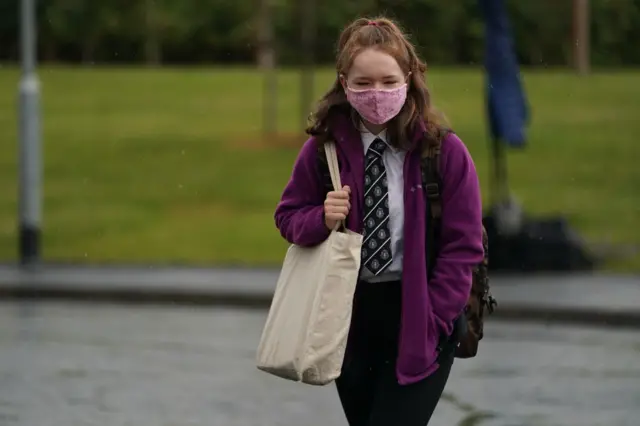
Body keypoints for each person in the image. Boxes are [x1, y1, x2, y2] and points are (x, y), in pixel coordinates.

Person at [274, 16, 484, 426]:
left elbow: (464, 247)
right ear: (343, 82)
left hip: (422, 312)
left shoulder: (444, 152)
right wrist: (321, 217)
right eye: (364, 82)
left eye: (388, 81)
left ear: (409, 78)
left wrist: (436, 316)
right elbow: (288, 216)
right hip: (349, 317)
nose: (377, 93)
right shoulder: (324, 150)